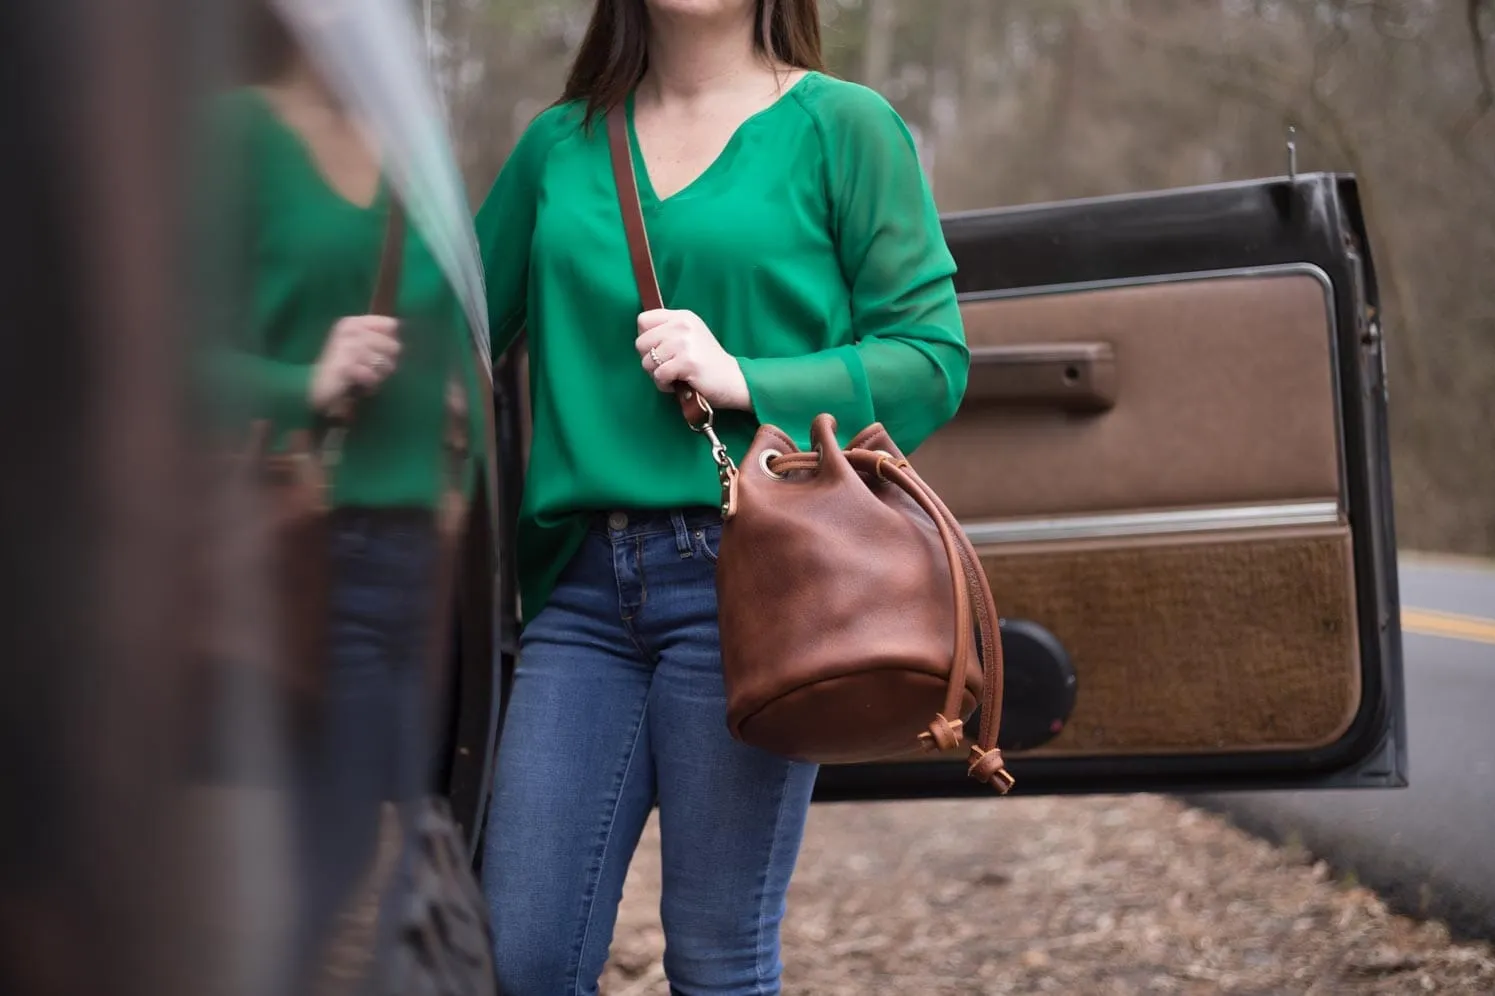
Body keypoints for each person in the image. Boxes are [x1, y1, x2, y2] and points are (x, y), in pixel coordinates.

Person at [473, 0, 969, 991]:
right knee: (516, 957)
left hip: (758, 583)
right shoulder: (557, 148)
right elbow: (449, 343)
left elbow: (931, 358)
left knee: (716, 955)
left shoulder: (845, 126)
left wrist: (746, 376)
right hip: (577, 596)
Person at [195, 3, 485, 991]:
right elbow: (155, 360)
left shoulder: (421, 144)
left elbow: (473, 343)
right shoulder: (236, 135)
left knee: (417, 851)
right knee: (340, 859)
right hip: (301, 557)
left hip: (435, 567)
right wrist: (299, 385)